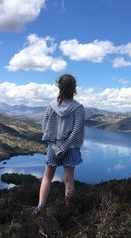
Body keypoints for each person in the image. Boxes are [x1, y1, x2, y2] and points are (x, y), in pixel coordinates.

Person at [32, 74, 85, 214]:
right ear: (74, 89)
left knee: (47, 177)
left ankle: (40, 207)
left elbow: (45, 127)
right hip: (71, 148)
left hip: (53, 147)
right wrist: (64, 147)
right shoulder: (78, 108)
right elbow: (76, 131)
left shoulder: (51, 106)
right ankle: (69, 210)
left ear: (59, 86)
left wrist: (56, 146)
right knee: (69, 180)